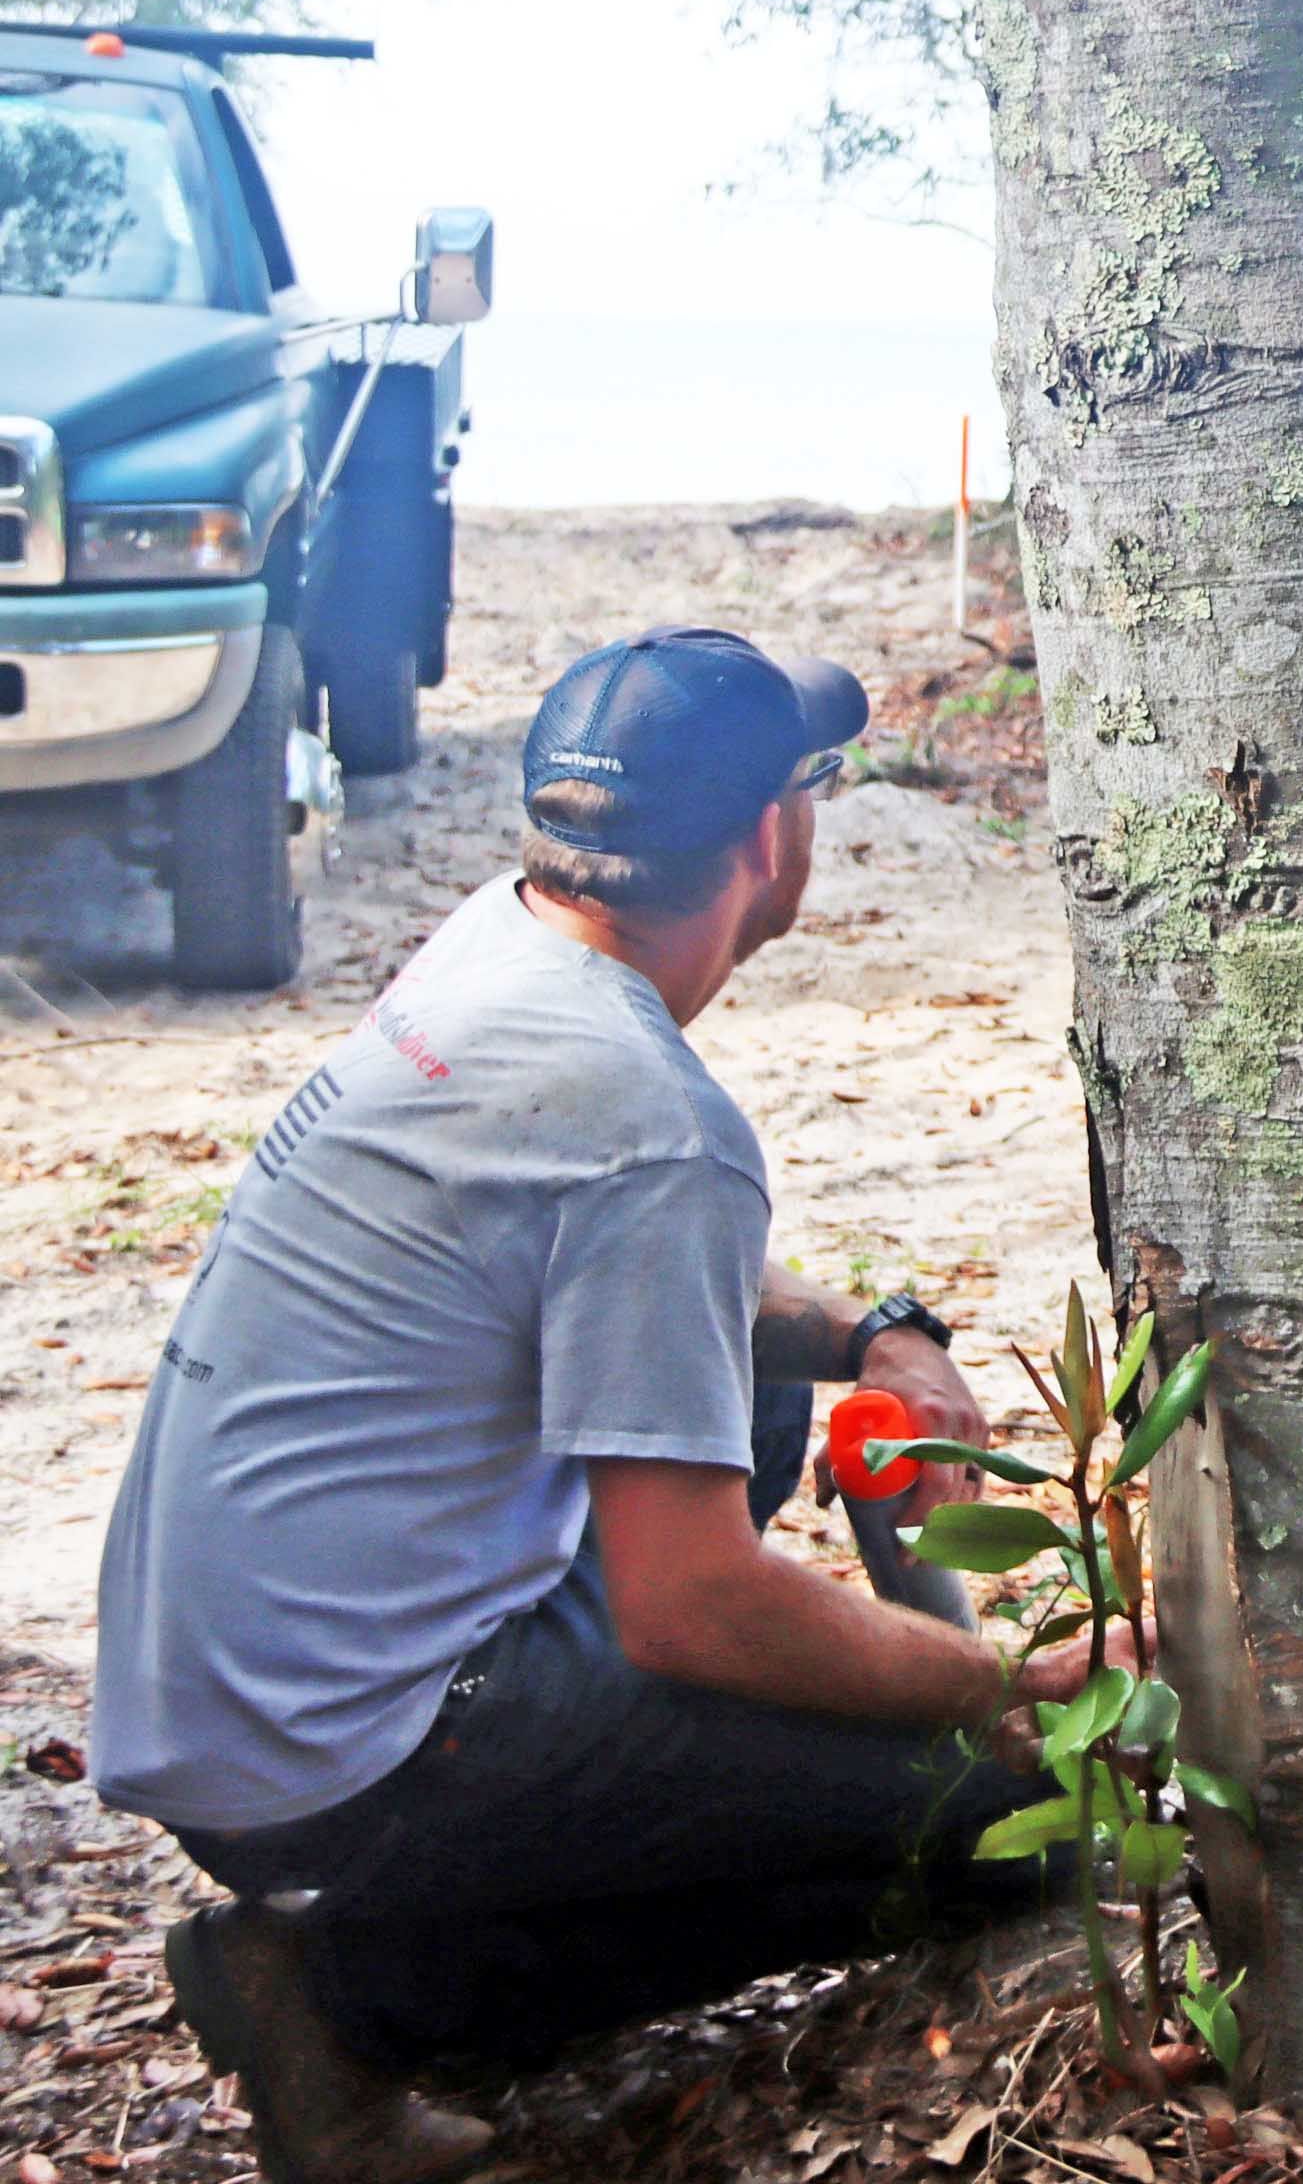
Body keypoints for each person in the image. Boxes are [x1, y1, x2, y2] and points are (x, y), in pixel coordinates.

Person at [94, 627, 1122, 2184]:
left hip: (230, 1680)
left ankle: (431, 1920)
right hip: (337, 1764)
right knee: (992, 1832)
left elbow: (656, 1295)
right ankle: (353, 1998)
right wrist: (991, 1689)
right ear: (775, 843)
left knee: (756, 1416)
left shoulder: (502, 949)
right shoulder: (651, 1122)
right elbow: (690, 1610)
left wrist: (879, 1333)